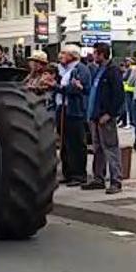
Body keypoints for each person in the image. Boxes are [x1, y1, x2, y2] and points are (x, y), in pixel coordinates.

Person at [81, 43, 125, 194]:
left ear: (101, 54)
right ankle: (98, 177)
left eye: (95, 53)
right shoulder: (99, 70)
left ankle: (116, 181)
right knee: (98, 148)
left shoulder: (113, 71)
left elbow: (119, 95)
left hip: (105, 117)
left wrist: (110, 113)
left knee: (110, 148)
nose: (93, 56)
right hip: (95, 115)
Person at [55, 44, 91, 187]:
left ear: (72, 56)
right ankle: (68, 172)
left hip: (75, 111)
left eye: (64, 53)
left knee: (76, 143)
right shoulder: (63, 70)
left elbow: (77, 88)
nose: (61, 56)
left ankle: (79, 174)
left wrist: (59, 87)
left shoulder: (81, 69)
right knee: (64, 143)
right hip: (62, 109)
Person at [120, 58, 135, 128]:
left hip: (128, 89)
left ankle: (129, 122)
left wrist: (122, 74)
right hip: (130, 89)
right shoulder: (131, 69)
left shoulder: (130, 69)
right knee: (130, 107)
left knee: (128, 107)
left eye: (127, 61)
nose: (126, 63)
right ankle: (130, 121)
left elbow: (125, 78)